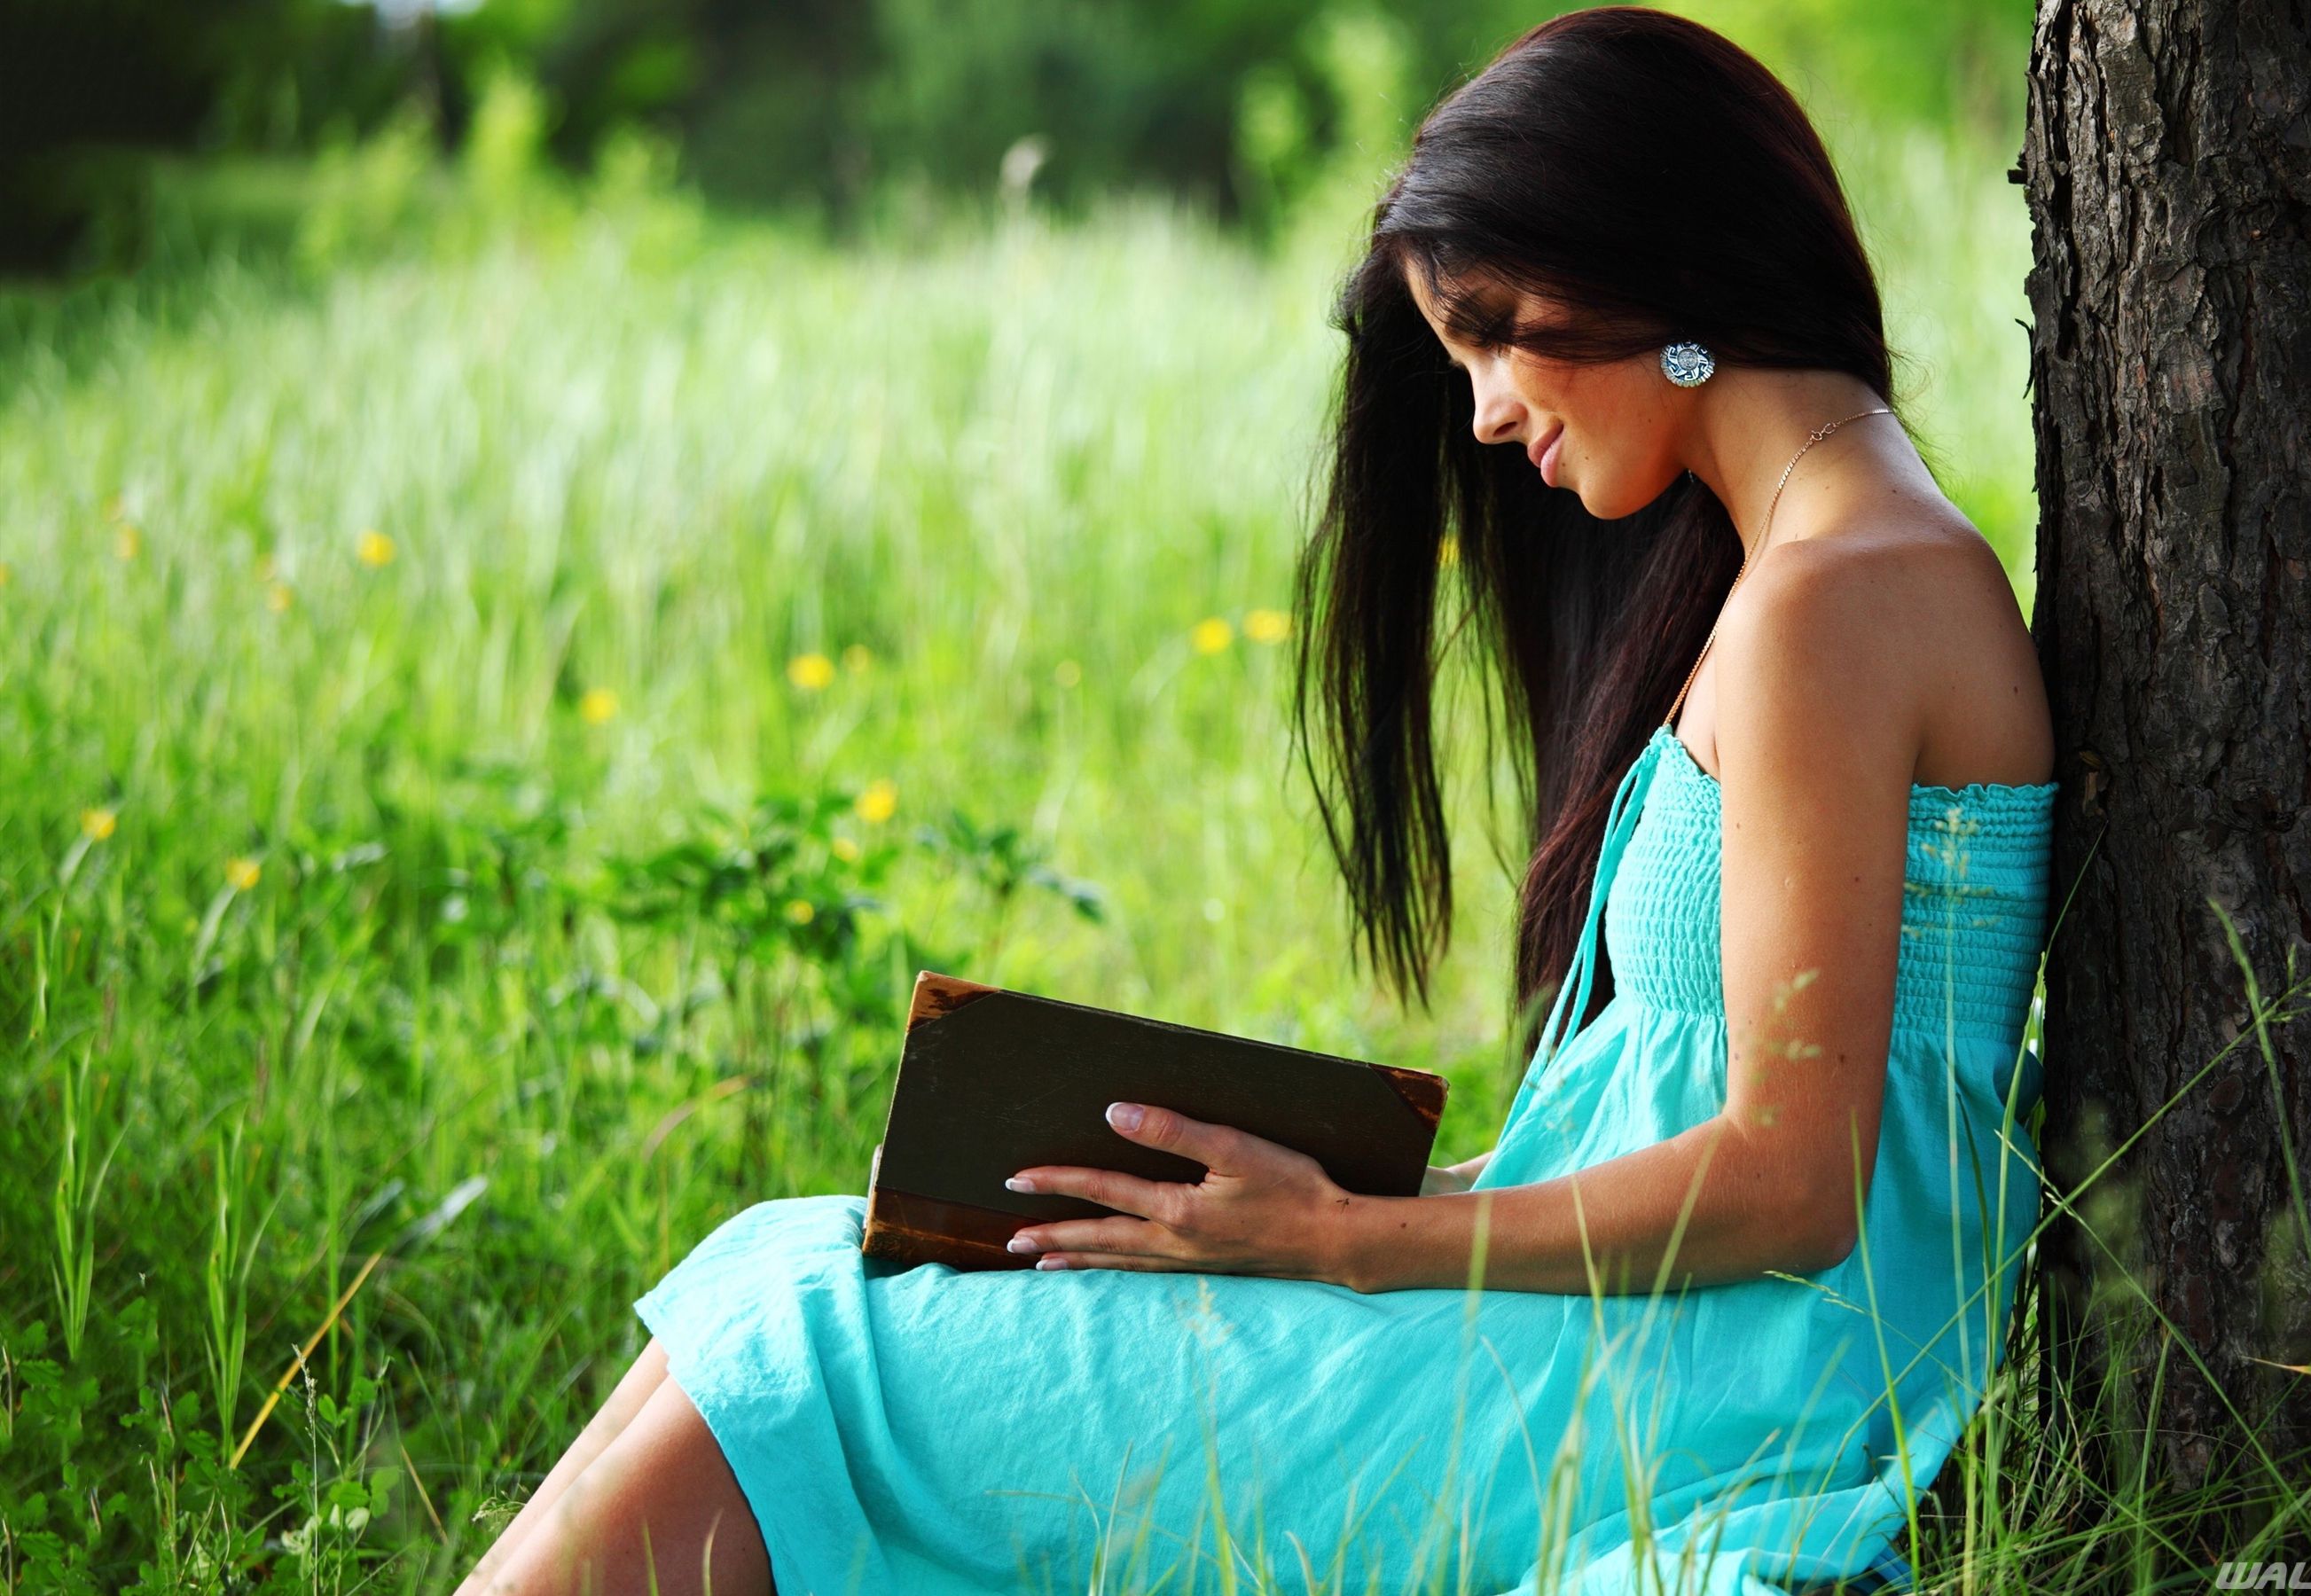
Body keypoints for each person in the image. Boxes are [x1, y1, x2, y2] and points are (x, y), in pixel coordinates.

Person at [453, 7, 2059, 1594]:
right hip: (1641, 1328)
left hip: (1698, 1385)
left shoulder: (1830, 607)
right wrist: (1354, 1196)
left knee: (825, 1346)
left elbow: (1795, 1179)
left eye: (1499, 329)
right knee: (793, 1269)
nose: (1491, 408)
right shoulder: (1827, 571)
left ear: (1657, 259)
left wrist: (1353, 1245)